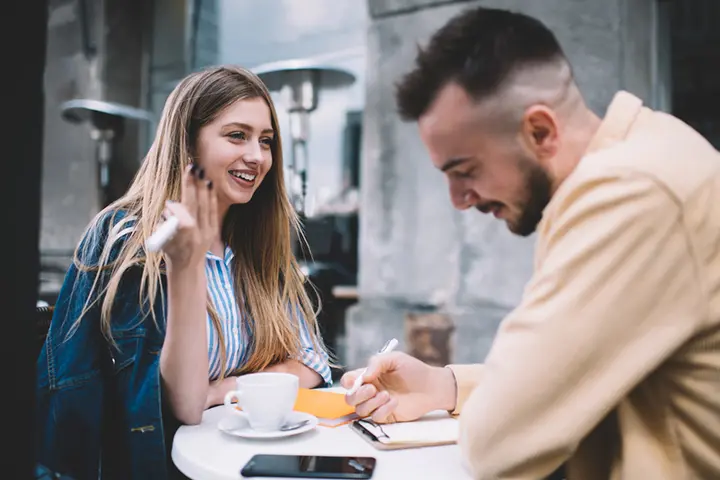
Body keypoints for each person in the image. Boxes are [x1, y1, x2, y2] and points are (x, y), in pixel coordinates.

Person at [342, 7, 720, 480]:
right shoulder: (648, 152)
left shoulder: (630, 194)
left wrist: (484, 406)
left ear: (540, 131)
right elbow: (577, 369)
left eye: (465, 171)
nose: (459, 200)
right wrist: (444, 386)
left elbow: (499, 443)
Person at [36, 65, 333, 479]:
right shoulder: (124, 241)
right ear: (189, 142)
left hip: (249, 463)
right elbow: (186, 405)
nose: (257, 156)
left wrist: (225, 391)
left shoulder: (256, 241)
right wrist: (187, 266)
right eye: (237, 135)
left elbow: (311, 362)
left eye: (265, 141)